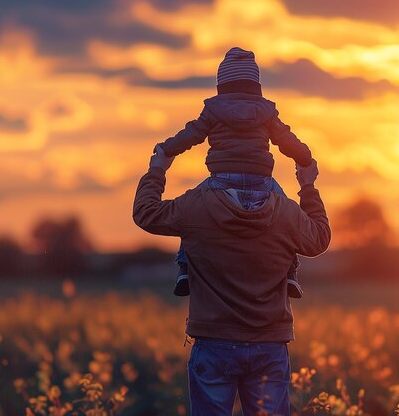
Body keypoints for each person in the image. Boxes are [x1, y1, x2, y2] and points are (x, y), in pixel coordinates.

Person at [133, 143, 331, 415]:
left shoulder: (197, 204)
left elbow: (146, 212)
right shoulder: (285, 210)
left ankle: (184, 270)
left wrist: (158, 169)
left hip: (214, 343)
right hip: (269, 344)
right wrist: (307, 186)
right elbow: (320, 238)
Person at [156, 47, 312, 298]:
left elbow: (192, 134)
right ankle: (290, 272)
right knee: (286, 210)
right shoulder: (267, 112)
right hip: (261, 181)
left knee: (190, 211)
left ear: (221, 84)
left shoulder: (213, 110)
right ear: (256, 85)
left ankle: (185, 267)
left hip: (220, 181)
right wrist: (304, 156)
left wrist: (167, 149)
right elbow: (286, 139)